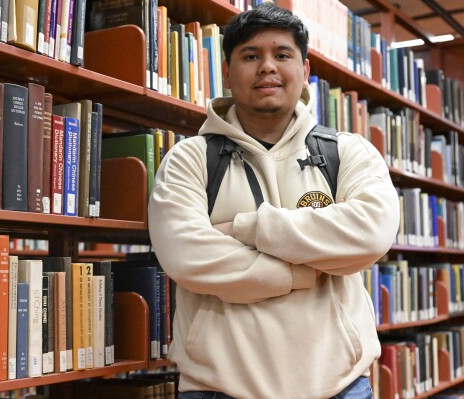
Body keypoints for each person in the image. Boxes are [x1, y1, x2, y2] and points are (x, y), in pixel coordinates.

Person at [148, 3, 400, 399]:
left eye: (282, 54)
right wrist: (304, 270)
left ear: (305, 72)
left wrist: (246, 228)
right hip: (219, 391)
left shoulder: (350, 152)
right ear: (227, 74)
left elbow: (369, 235)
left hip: (340, 388)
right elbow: (187, 256)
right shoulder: (190, 158)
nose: (267, 66)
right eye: (251, 56)